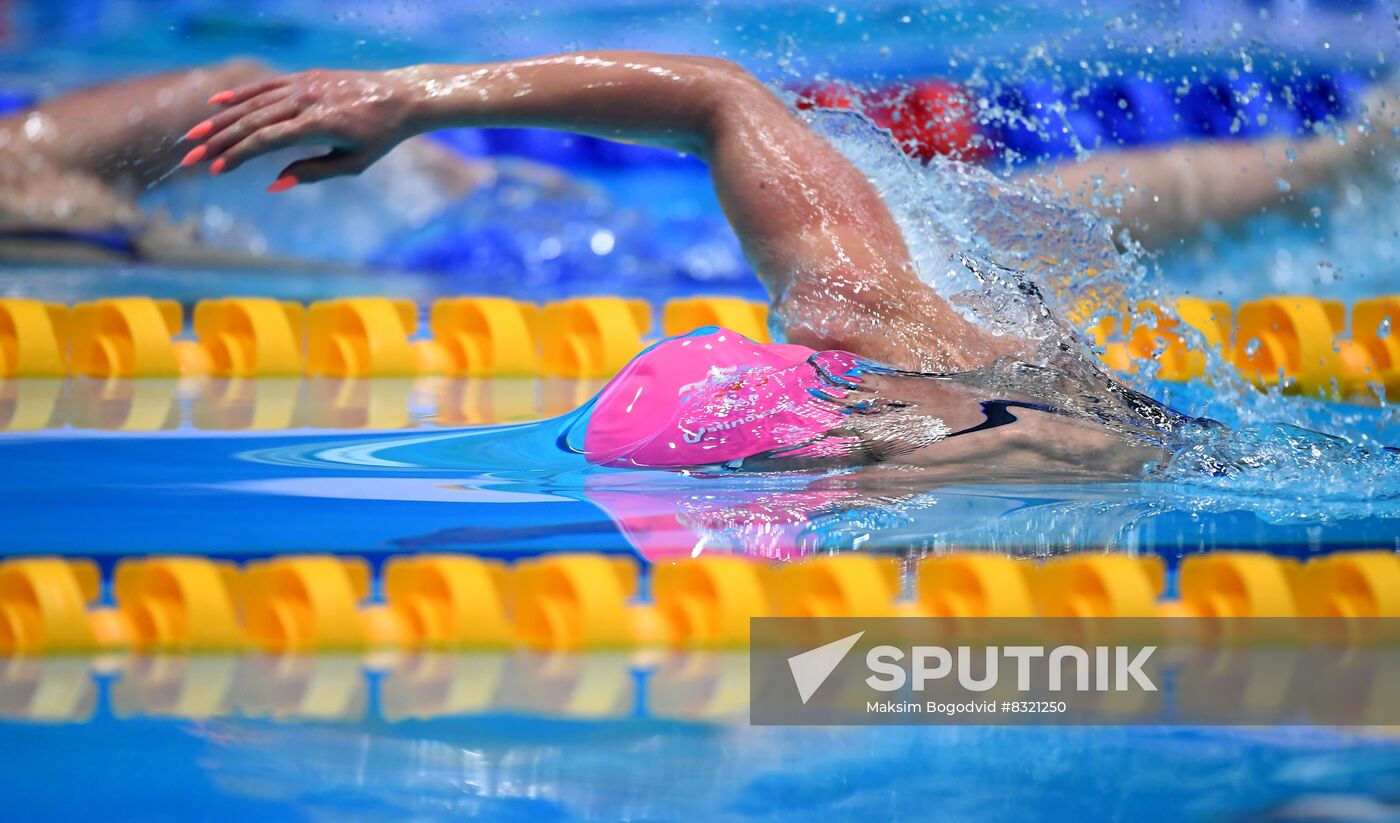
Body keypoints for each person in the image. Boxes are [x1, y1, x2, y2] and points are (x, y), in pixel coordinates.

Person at [184, 51, 1214, 478]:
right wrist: (416, 100)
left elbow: (724, 97)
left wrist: (416, 96)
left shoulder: (867, 316)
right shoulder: (882, 329)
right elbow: (722, 100)